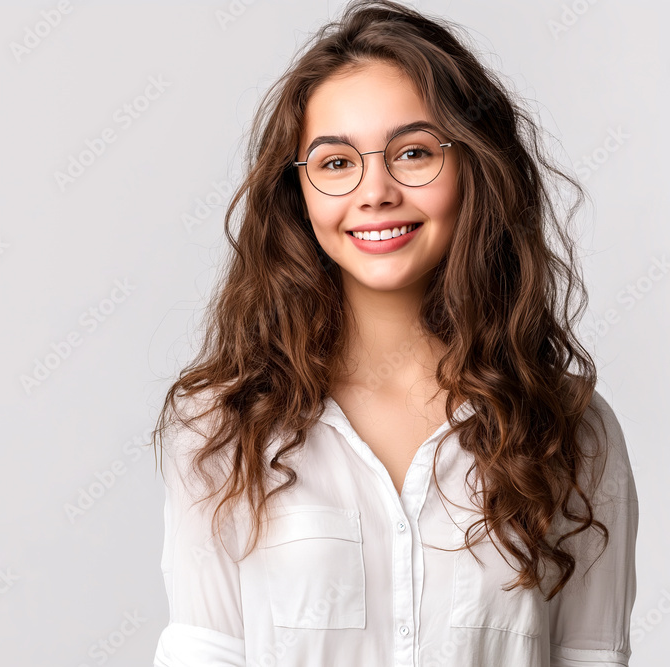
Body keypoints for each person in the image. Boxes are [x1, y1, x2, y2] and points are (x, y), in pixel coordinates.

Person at [149, 1, 639, 665]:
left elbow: (591, 655)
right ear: (299, 193)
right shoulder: (221, 426)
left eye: (412, 152)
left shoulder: (570, 428)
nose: (374, 191)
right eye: (335, 162)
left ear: (474, 167)